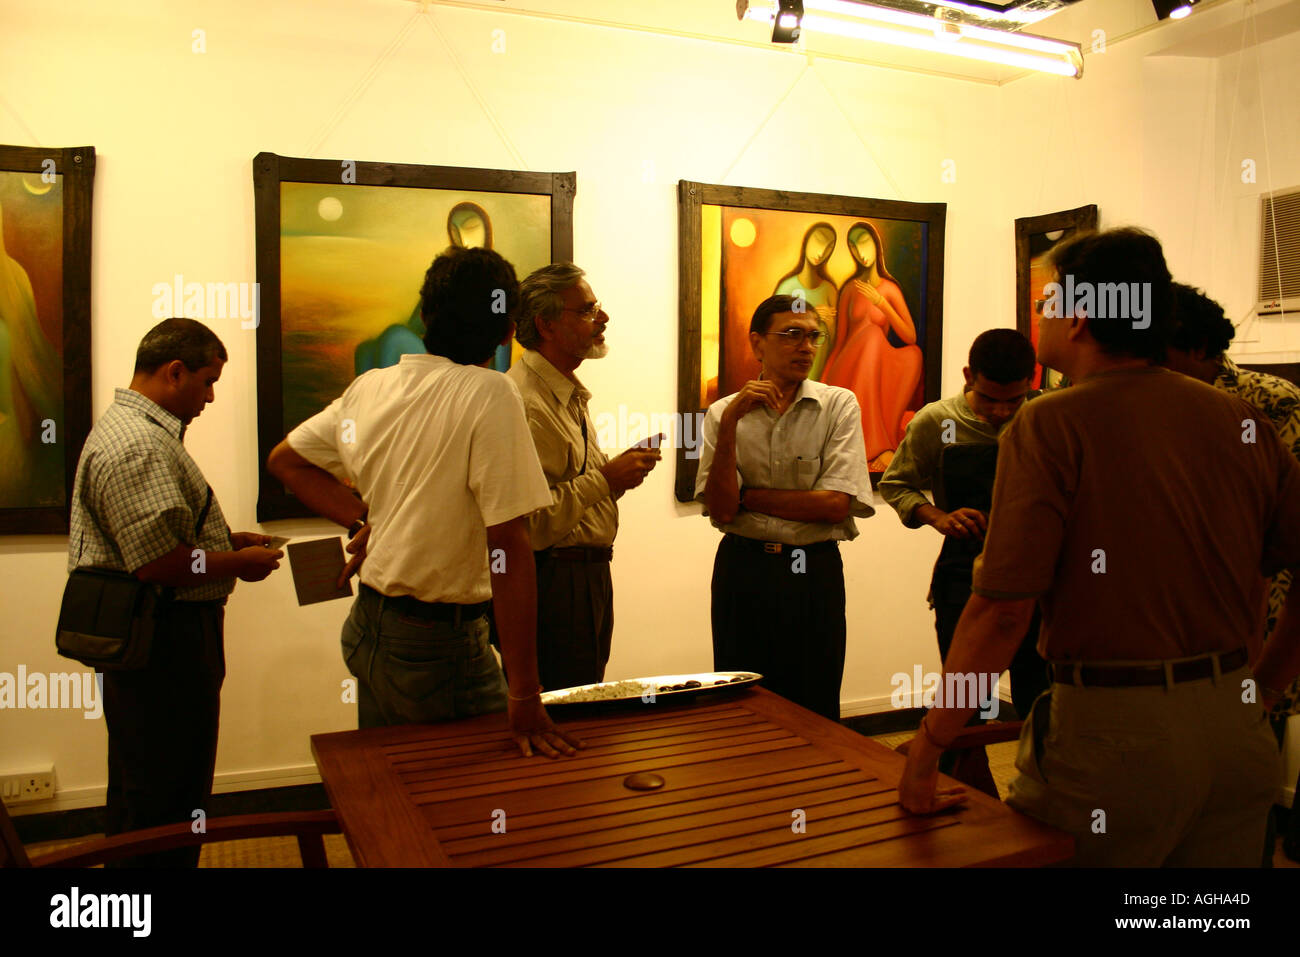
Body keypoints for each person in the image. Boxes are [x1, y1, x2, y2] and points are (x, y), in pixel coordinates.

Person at [897, 227, 1300, 867]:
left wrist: (929, 744)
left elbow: (1003, 610)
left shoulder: (1052, 421)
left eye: (1045, 303)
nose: (1040, 318)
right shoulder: (1240, 421)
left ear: (1079, 317)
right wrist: (1266, 693)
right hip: (1235, 720)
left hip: (1117, 734)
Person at [267, 246, 579, 758]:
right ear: (507, 332)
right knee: (470, 803)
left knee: (400, 788)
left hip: (372, 627)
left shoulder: (372, 386)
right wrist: (524, 691)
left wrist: (369, 521)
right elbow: (508, 544)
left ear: (427, 313)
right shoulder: (490, 393)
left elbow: (287, 460)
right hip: (437, 648)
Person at [68, 317, 284, 866]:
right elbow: (158, 563)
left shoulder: (130, 430)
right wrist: (238, 562)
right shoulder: (140, 445)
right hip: (165, 644)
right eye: (207, 382)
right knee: (168, 790)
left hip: (157, 640)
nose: (211, 397)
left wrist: (226, 539)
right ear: (174, 371)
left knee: (146, 780)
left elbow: (158, 541)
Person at [1163, 281, 1300, 862]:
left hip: (1255, 615)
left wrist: (1269, 679)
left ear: (1196, 351)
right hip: (1172, 621)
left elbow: (1284, 524)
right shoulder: (1150, 400)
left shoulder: (1270, 401)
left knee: (1243, 783)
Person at [879, 329, 1047, 781]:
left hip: (1039, 577)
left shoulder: (1044, 416)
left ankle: (1044, 803)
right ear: (968, 376)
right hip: (962, 575)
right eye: (990, 399)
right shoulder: (936, 421)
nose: (1001, 412)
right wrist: (938, 516)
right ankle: (966, 802)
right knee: (965, 696)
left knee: (1043, 698)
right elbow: (895, 485)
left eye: (1013, 400)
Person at [697, 294, 874, 721]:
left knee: (815, 696)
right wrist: (730, 428)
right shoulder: (725, 412)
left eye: (814, 336)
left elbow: (834, 504)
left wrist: (751, 497)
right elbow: (722, 510)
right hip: (744, 568)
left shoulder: (837, 405)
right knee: (741, 700)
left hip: (812, 568)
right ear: (758, 344)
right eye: (792, 335)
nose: (806, 347)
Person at [506, 263, 660, 691]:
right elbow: (527, 522)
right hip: (552, 582)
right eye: (588, 310)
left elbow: (574, 489)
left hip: (586, 577)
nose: (603, 319)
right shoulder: (523, 400)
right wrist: (608, 479)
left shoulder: (565, 391)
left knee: (585, 702)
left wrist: (618, 475)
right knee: (565, 714)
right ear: (546, 324)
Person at [822, 222, 923, 472]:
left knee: (910, 353)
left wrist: (881, 303)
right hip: (849, 367)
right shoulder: (849, 289)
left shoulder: (890, 289)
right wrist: (825, 381)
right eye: (854, 246)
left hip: (878, 365)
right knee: (870, 335)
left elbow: (910, 336)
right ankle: (872, 445)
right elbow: (840, 341)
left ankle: (882, 439)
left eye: (864, 243)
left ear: (876, 246)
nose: (861, 251)